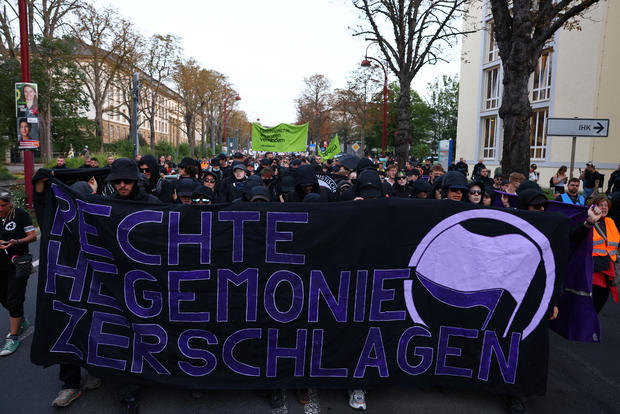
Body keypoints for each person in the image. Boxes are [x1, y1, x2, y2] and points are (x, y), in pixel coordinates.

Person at [0, 187, 36, 356]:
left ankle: (13, 337)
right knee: (4, 298)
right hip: (0, 265)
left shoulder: (20, 214)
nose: (0, 208)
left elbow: (32, 236)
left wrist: (16, 241)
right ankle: (21, 320)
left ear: (10, 203)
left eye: (4, 205)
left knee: (14, 299)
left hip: (18, 263)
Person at [590, 194, 619, 314]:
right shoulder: (589, 221)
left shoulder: (610, 221)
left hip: (608, 267)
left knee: (601, 300)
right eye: (600, 205)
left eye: (606, 205)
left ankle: (590, 326)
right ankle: (587, 328)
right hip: (593, 268)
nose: (604, 208)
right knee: (593, 302)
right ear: (594, 207)